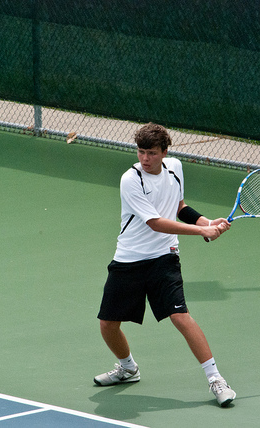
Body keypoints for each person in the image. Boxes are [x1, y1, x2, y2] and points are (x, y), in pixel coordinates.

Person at [94, 122, 236, 407]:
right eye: (141, 151)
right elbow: (156, 222)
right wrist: (203, 231)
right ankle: (128, 368)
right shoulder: (131, 179)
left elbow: (179, 207)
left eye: (151, 153)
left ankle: (216, 379)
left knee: (180, 316)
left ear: (164, 152)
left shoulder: (175, 168)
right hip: (129, 258)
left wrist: (206, 221)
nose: (145, 158)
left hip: (164, 257)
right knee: (108, 324)